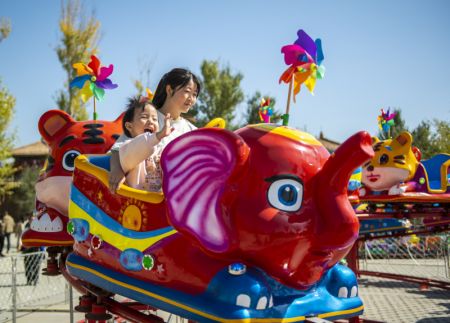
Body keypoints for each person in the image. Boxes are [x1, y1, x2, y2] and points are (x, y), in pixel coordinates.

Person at [109, 68, 200, 192]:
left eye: (194, 94)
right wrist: (116, 170)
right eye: (187, 91)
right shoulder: (147, 118)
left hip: (171, 198)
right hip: (140, 195)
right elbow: (118, 149)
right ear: (169, 89)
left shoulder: (192, 131)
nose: (191, 98)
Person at [109, 96, 174, 192]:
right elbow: (142, 144)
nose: (151, 121)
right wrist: (159, 136)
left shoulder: (161, 149)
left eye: (155, 119)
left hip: (157, 201)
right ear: (129, 126)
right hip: (136, 202)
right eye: (144, 117)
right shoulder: (126, 148)